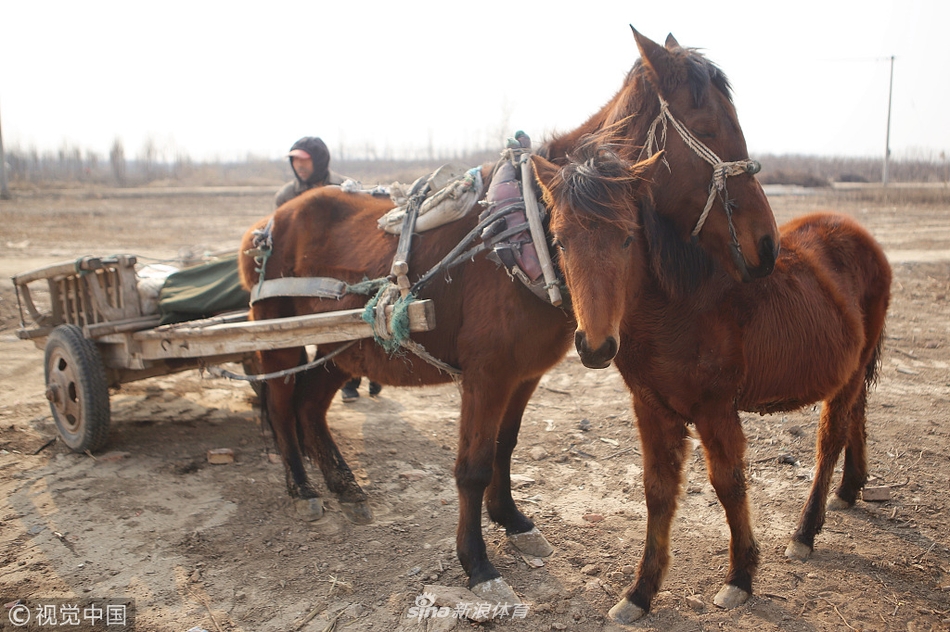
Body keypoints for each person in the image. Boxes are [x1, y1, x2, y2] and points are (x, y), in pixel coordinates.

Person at [276, 136, 382, 402]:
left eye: (305, 159)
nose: (299, 165)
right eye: (295, 160)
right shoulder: (286, 197)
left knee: (353, 319)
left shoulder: (344, 190)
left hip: (342, 266)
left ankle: (360, 377)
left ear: (319, 161)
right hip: (306, 271)